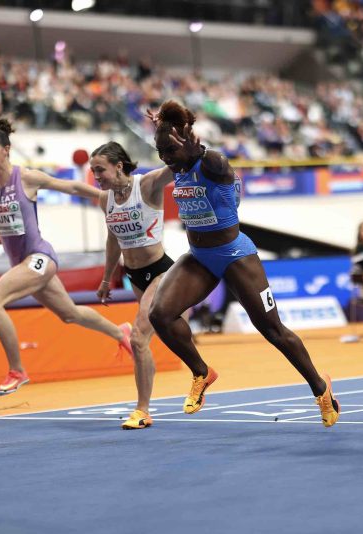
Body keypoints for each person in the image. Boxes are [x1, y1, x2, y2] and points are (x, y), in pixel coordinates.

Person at [145, 101, 339, 427]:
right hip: (199, 257)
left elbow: (219, 165)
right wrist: (169, 136)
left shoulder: (212, 164)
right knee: (159, 314)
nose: (165, 158)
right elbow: (175, 155)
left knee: (273, 331)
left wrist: (200, 151)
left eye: (170, 150)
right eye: (160, 151)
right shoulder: (179, 167)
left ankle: (321, 389)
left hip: (235, 255)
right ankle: (201, 372)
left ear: (188, 144)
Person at [0, 119, 132, 396]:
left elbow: (71, 187)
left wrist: (105, 198)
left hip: (39, 257)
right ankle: (121, 332)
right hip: (22, 264)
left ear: (6, 150)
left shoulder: (26, 178)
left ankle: (16, 371)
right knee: (70, 314)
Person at [91, 141, 179, 430]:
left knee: (138, 339)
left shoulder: (147, 185)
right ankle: (201, 371)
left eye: (100, 169)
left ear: (119, 166)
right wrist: (107, 278)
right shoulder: (105, 199)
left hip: (160, 270)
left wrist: (178, 139)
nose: (96, 176)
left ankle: (142, 410)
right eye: (93, 170)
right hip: (134, 274)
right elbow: (113, 239)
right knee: (146, 342)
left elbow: (175, 167)